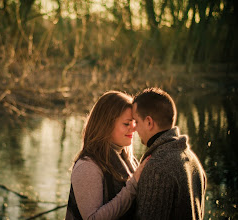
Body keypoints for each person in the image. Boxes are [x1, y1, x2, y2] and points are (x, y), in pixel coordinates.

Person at [65, 91, 150, 220]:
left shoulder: (128, 160)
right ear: (106, 125)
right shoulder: (88, 166)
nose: (133, 129)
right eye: (127, 124)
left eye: (134, 123)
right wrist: (133, 185)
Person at [132, 87, 207, 219]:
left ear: (149, 122)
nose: (134, 128)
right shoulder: (191, 158)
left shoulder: (157, 167)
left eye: (136, 121)